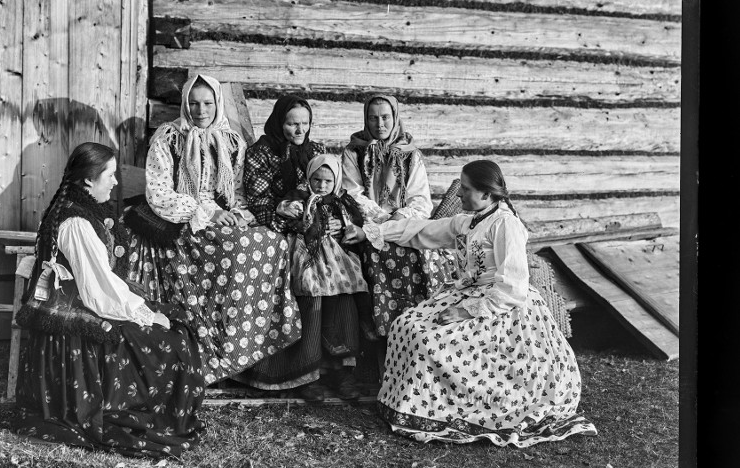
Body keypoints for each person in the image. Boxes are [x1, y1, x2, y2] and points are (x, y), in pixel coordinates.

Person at [344, 160, 597, 447]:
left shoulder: (506, 224)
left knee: (430, 341)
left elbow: (513, 286)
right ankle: (418, 405)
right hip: (470, 294)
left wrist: (464, 311)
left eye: (465, 189)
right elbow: (422, 230)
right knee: (406, 324)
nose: (459, 195)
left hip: (503, 309)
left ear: (487, 194)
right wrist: (372, 232)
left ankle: (455, 409)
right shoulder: (468, 220)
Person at [14, 142, 205, 459]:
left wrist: (143, 307)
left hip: (79, 307)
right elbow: (98, 291)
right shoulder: (75, 223)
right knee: (169, 339)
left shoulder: (75, 210)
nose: (115, 183)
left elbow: (99, 279)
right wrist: (143, 314)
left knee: (173, 322)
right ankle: (153, 413)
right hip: (74, 326)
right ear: (89, 180)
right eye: (111, 176)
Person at [122, 74, 302, 386]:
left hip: (220, 214)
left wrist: (236, 213)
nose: (200, 110)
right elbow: (159, 194)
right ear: (185, 104)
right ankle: (213, 349)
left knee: (271, 242)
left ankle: (245, 346)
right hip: (181, 216)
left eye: (207, 103)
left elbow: (239, 191)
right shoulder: (169, 138)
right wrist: (207, 212)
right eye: (193, 103)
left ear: (217, 103)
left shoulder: (231, 141)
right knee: (236, 250)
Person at [243, 154, 374, 400]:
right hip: (306, 257)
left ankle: (343, 372)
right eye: (317, 179)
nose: (322, 186)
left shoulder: (342, 201)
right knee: (312, 303)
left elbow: (355, 222)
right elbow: (282, 218)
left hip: (338, 263)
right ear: (309, 178)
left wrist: (342, 224)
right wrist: (294, 217)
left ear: (335, 181)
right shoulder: (298, 197)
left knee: (343, 301)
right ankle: (308, 373)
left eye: (327, 181)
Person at [341, 94, 454, 357]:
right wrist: (381, 219)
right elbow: (352, 192)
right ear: (365, 119)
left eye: (385, 117)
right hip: (367, 222)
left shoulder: (410, 154)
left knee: (423, 254)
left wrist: (399, 217)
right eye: (373, 117)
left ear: (395, 118)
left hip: (405, 222)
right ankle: (384, 333)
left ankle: (421, 329)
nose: (379, 124)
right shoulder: (354, 151)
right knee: (376, 253)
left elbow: (420, 200)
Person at [242, 94, 327, 233]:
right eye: (293, 124)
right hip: (277, 221)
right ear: (279, 123)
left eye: (305, 123)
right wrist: (282, 208)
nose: (301, 131)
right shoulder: (261, 153)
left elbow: (329, 189)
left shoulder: (316, 152)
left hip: (316, 219)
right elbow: (257, 201)